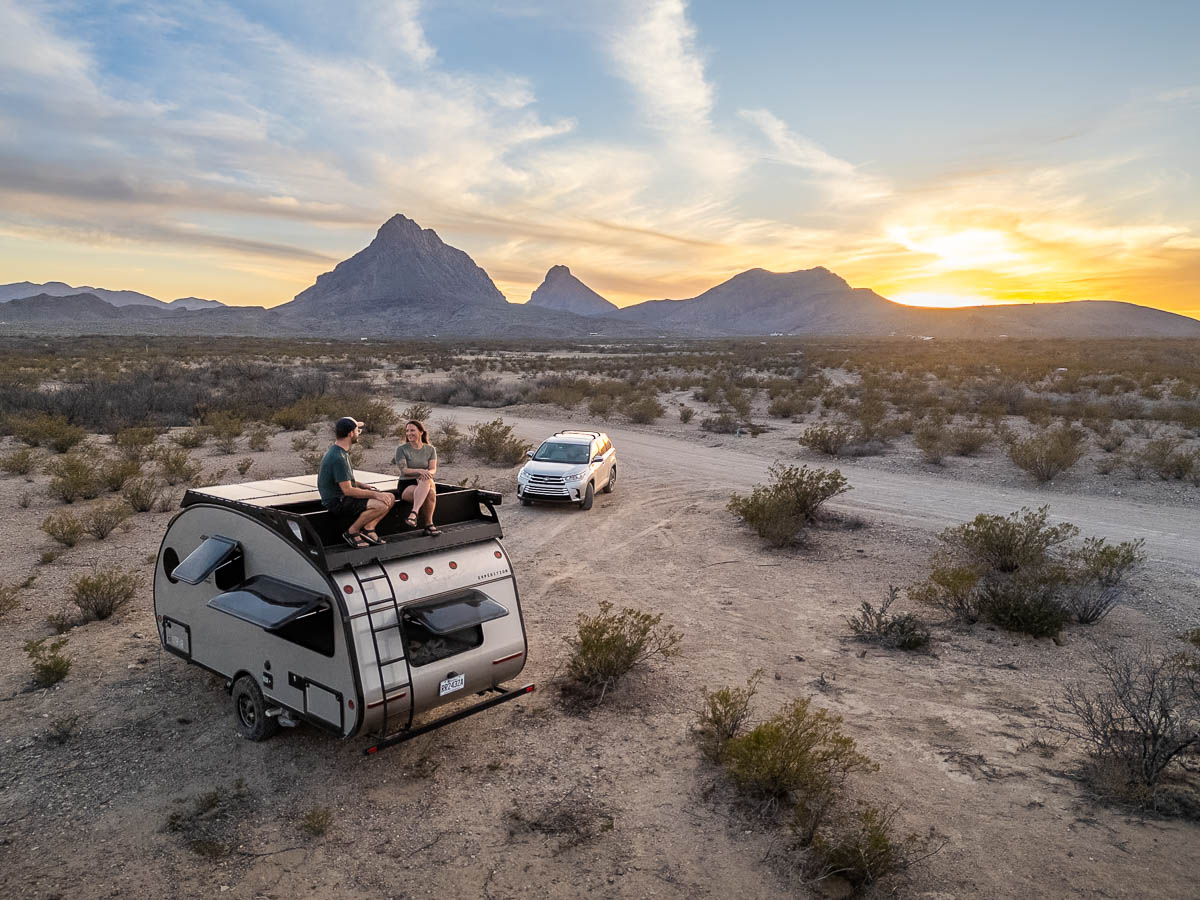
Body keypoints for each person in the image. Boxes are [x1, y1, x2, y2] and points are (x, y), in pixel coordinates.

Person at [317, 416, 395, 548]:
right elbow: (348, 490)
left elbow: (343, 479)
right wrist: (376, 495)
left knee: (390, 497)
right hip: (337, 501)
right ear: (350, 433)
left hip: (343, 496)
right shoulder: (338, 457)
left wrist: (363, 486)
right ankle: (352, 532)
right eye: (358, 430)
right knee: (380, 504)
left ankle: (369, 529)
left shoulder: (339, 451)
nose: (359, 433)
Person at [393, 419, 441, 536]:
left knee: (427, 483)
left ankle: (414, 514)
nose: (409, 433)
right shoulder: (402, 449)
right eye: (407, 431)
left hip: (425, 481)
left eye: (412, 430)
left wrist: (426, 473)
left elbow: (433, 469)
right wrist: (420, 471)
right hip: (407, 485)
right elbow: (405, 471)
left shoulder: (430, 449)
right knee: (429, 490)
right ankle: (428, 524)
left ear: (421, 432)